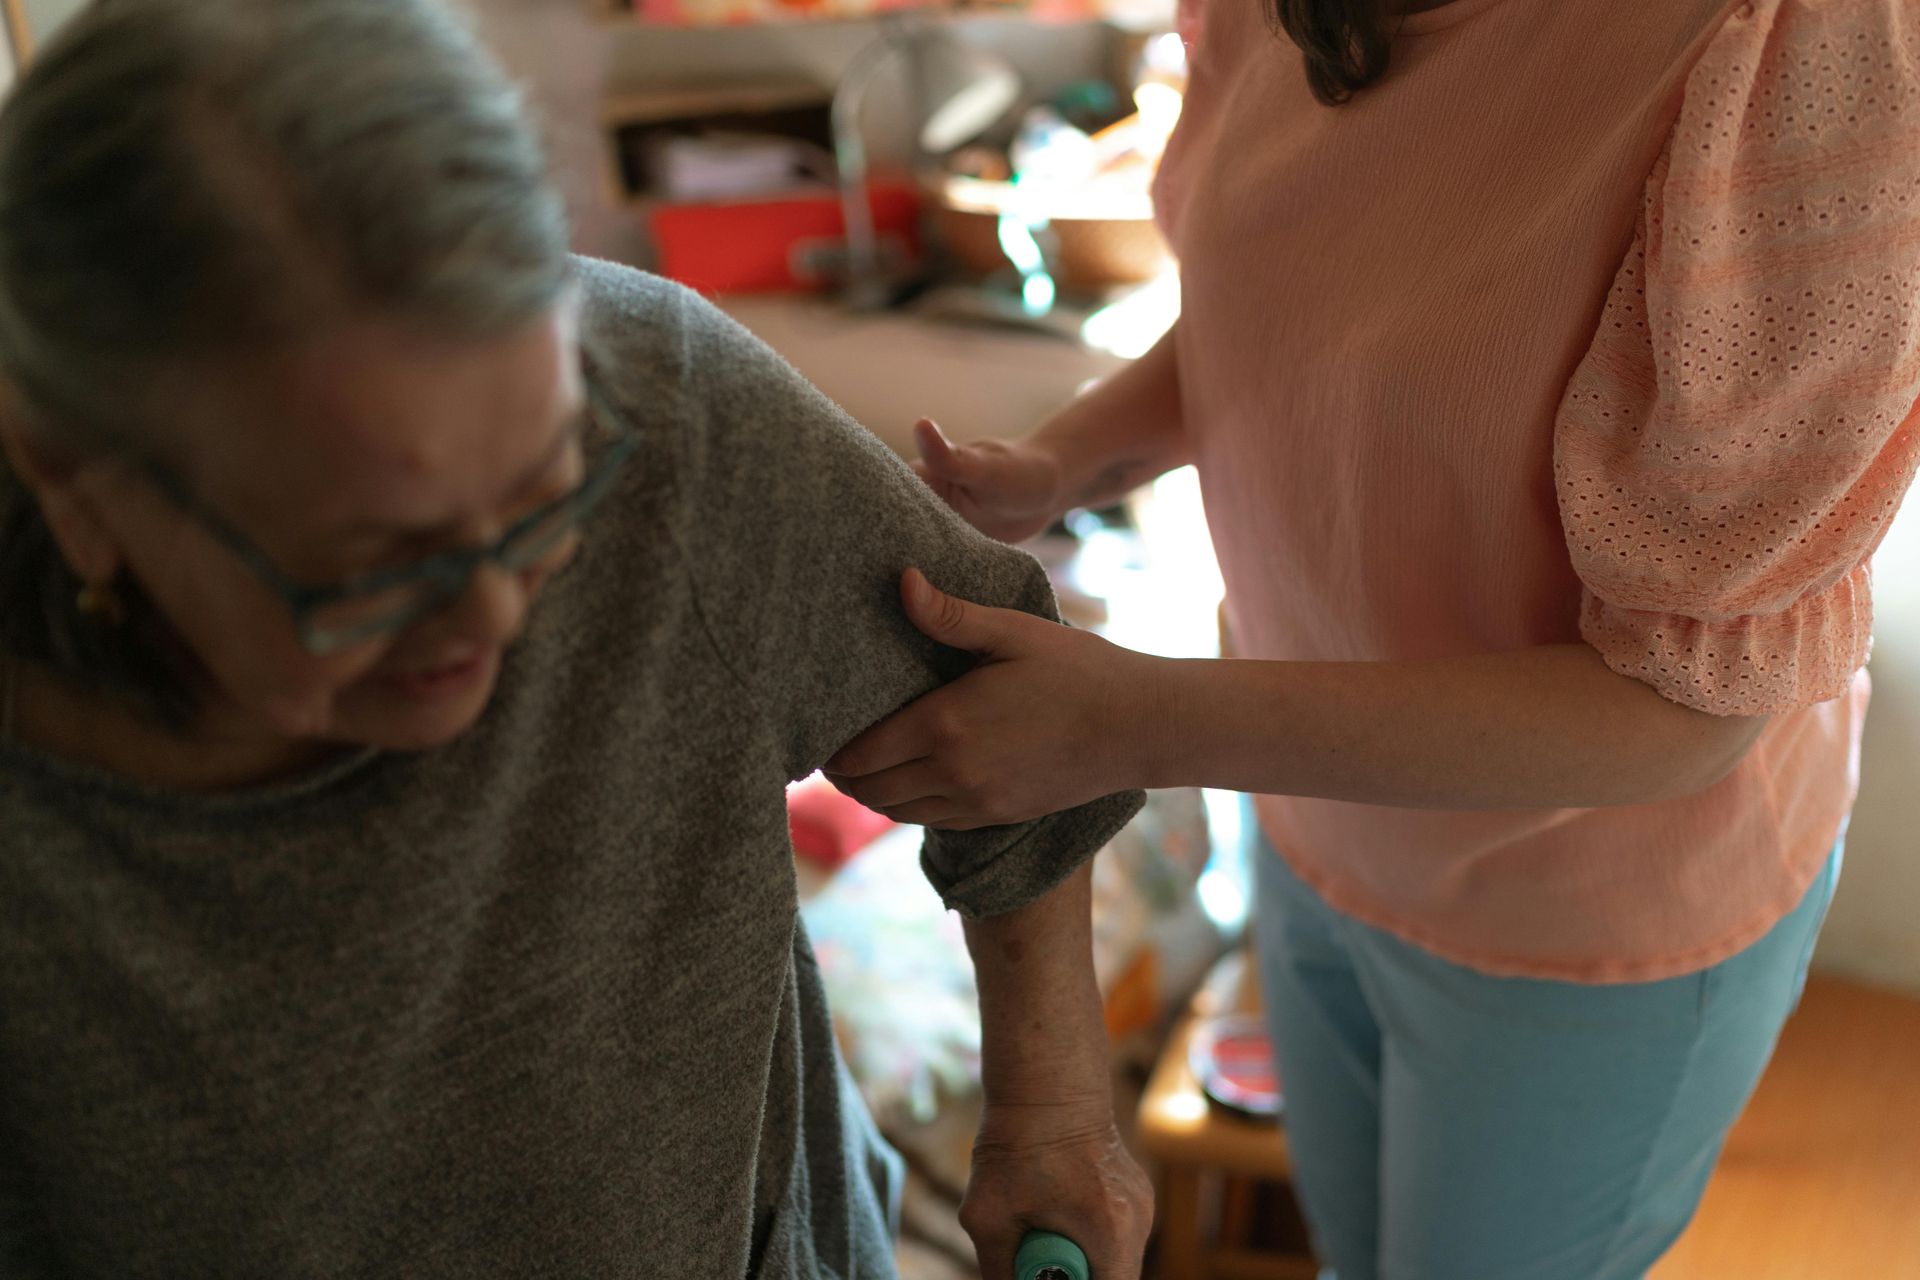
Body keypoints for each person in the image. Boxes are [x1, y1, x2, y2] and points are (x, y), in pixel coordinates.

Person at [0, 2, 1154, 1276]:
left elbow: (1018, 710)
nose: (496, 617)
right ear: (74, 485)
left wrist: (1049, 1115)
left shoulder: (662, 405)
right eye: (380, 567)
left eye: (545, 500)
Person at [824, 0, 1920, 1276]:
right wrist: (1061, 460)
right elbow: (1288, 307)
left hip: (1589, 914)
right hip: (1315, 831)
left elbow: (1680, 705)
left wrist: (1125, 721)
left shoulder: (1800, 50)